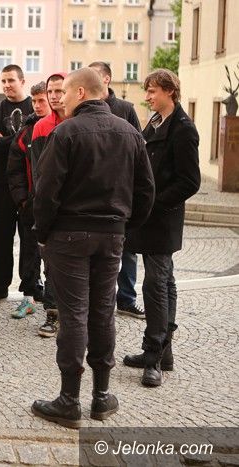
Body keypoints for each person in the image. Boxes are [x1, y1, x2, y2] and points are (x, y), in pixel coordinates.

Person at [31, 67, 155, 429]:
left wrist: (43, 233)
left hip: (69, 235)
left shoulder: (66, 132)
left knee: (74, 314)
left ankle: (69, 400)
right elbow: (146, 191)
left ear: (82, 93)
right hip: (111, 235)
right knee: (102, 312)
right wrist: (123, 226)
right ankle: (101, 396)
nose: (61, 99)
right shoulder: (130, 133)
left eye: (66, 93)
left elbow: (46, 190)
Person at [123, 69, 200, 387]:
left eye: (152, 91)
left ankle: (153, 355)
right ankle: (163, 353)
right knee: (165, 282)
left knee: (155, 285)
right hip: (149, 218)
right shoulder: (154, 122)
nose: (148, 97)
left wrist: (154, 202)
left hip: (162, 220)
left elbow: (190, 181)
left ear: (169, 91)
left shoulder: (183, 129)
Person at [89, 61, 145, 320]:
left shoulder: (125, 109)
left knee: (128, 250)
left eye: (95, 75)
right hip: (94, 190)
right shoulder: (83, 108)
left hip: (122, 188)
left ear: (107, 79)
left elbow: (139, 146)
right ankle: (96, 299)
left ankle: (126, 298)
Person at [0, 64, 34, 303]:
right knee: (0, 235)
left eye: (11, 80)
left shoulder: (33, 107)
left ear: (22, 81)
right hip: (1, 182)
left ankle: (31, 285)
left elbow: (34, 143)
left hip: (29, 183)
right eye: (3, 81)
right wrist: (19, 141)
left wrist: (7, 140)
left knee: (30, 237)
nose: (6, 85)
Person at [6, 81, 49, 318]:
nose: (37, 105)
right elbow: (15, 170)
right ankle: (28, 297)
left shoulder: (63, 126)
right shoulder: (26, 132)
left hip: (57, 206)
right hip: (31, 205)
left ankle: (54, 302)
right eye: (34, 101)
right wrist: (22, 199)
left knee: (55, 256)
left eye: (42, 100)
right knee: (29, 252)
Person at [30, 72, 67, 338]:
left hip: (77, 207)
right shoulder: (42, 126)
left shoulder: (79, 123)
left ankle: (76, 315)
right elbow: (38, 171)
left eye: (59, 91)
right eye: (50, 91)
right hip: (50, 205)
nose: (54, 96)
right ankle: (52, 313)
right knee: (51, 263)